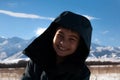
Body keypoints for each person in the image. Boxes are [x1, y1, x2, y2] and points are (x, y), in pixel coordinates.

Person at [21, 11, 92, 80]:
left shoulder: (82, 73)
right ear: (53, 35)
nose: (63, 43)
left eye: (72, 39)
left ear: (79, 44)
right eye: (60, 35)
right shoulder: (36, 61)